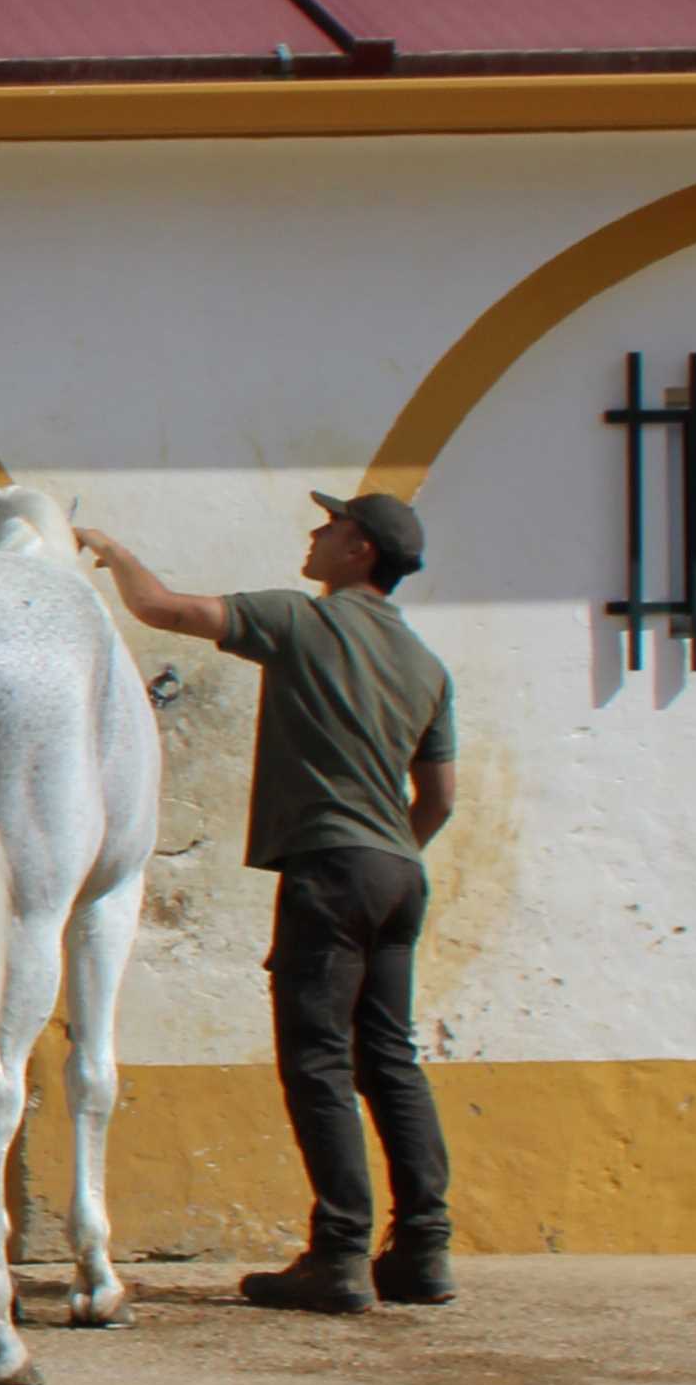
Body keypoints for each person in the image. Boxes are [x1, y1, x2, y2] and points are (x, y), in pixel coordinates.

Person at [78, 492, 458, 1314]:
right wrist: (389, 852)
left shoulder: (300, 621)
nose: (314, 536)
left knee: (317, 1059)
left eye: (330, 527)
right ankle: (423, 1249)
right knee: (390, 1059)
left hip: (331, 868)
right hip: (399, 870)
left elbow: (162, 608)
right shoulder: (427, 665)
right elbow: (440, 797)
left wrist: (110, 549)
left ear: (359, 550)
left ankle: (339, 1254)